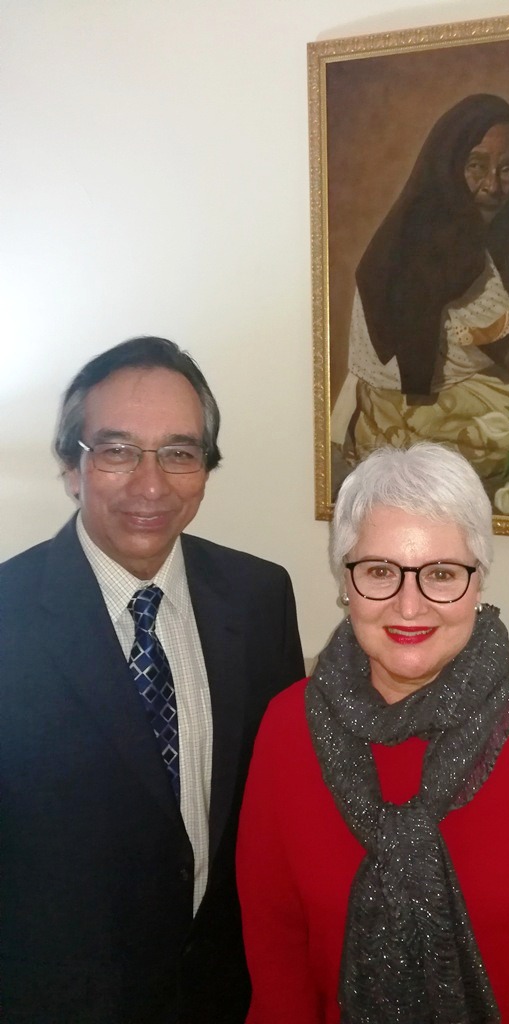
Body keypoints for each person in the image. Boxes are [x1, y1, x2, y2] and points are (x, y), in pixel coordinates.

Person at [236, 442, 509, 1024]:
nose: (409, 606)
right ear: (346, 581)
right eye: (380, 572)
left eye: (442, 574)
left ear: (477, 583)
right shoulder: (287, 726)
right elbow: (274, 936)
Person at [0, 337, 304, 1024]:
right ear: (72, 466)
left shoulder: (260, 597)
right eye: (117, 450)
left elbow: (274, 803)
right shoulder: (7, 617)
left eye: (178, 452)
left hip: (225, 992)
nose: (151, 484)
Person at [331, 93, 509, 482]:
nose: (492, 185)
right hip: (409, 408)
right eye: (476, 165)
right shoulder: (447, 244)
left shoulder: (428, 219)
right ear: (449, 163)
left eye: (507, 168)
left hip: (428, 381)